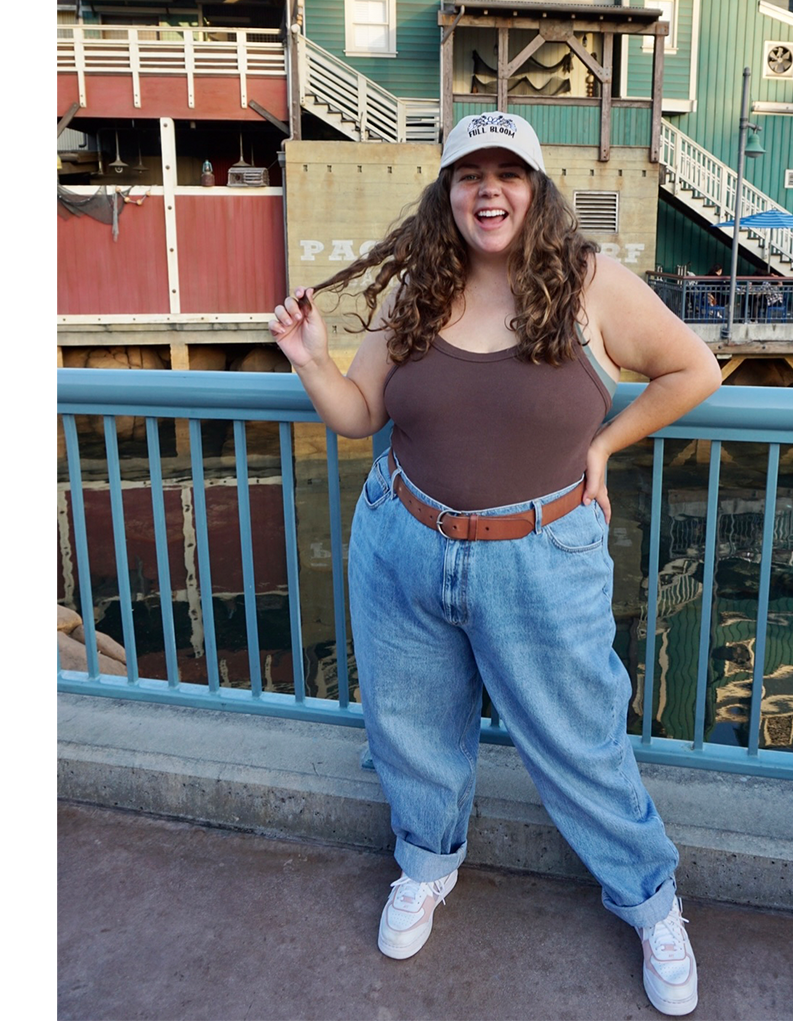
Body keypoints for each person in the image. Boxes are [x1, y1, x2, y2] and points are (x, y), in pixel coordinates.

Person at [269, 111, 721, 1016]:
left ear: (535, 189)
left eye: (506, 173)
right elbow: (360, 417)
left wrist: (604, 447)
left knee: (581, 738)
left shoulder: (590, 285)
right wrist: (311, 361)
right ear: (447, 192)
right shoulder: (417, 294)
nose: (488, 189)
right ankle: (426, 864)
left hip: (541, 559)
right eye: (469, 173)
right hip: (404, 540)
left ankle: (649, 903)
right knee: (411, 723)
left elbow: (693, 370)